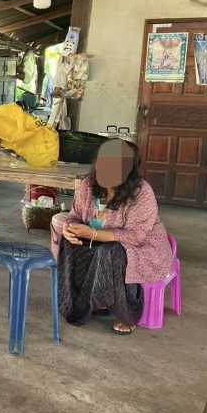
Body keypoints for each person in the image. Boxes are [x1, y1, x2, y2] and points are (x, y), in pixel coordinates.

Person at [57, 139, 172, 335]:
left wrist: (93, 233)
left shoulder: (142, 192)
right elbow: (74, 215)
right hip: (96, 242)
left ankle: (126, 313)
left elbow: (136, 237)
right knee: (68, 242)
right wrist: (69, 228)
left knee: (112, 251)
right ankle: (82, 302)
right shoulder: (88, 185)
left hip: (141, 248)